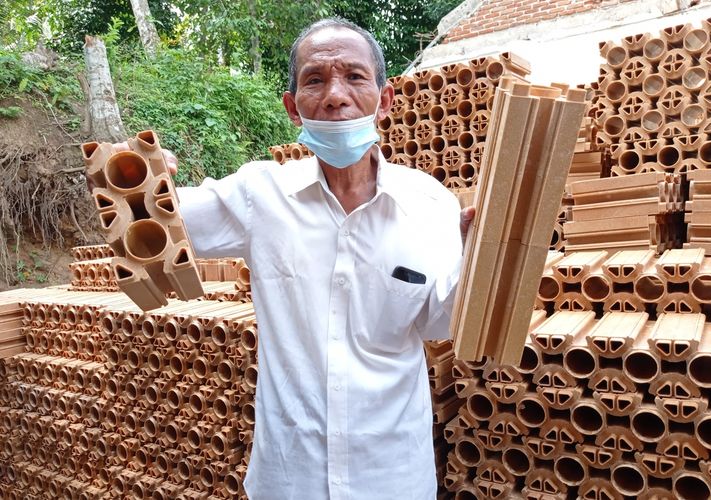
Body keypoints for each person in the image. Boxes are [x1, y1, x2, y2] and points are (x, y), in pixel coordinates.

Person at [142, 17, 473, 499]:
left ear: (386, 100)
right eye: (315, 79)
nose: (336, 95)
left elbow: (440, 323)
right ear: (293, 108)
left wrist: (478, 261)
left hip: (391, 476)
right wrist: (148, 179)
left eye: (355, 77)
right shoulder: (259, 195)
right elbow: (148, 228)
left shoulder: (430, 204)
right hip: (290, 477)